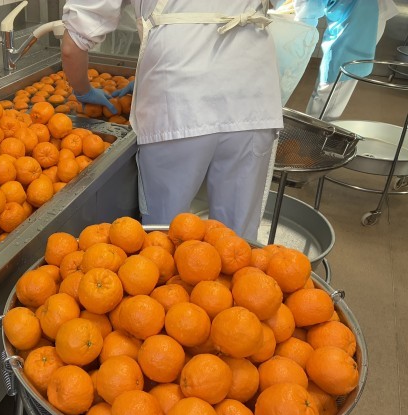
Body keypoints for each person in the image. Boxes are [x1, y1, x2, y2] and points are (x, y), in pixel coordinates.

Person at [61, 1, 283, 241]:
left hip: (178, 98)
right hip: (253, 95)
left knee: (165, 239)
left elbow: (73, 44)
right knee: (236, 245)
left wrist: (83, 90)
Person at [293, 0, 399, 120]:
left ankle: (318, 128)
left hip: (359, 19)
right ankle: (317, 124)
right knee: (330, 81)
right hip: (362, 14)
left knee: (331, 89)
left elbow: (306, 14)